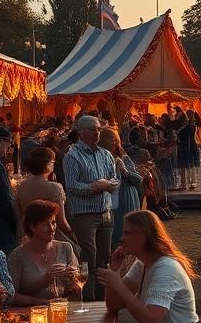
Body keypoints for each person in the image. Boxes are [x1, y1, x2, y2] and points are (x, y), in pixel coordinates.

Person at [62, 115, 118, 300]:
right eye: (93, 129)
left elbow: (115, 179)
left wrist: (109, 184)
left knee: (104, 258)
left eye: (99, 129)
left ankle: (103, 298)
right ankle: (88, 298)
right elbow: (72, 186)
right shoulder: (72, 156)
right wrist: (95, 187)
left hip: (105, 212)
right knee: (89, 258)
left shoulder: (105, 154)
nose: (97, 133)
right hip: (85, 214)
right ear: (81, 132)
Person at [7, 200, 80, 306]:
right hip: (31, 312)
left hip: (63, 310)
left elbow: (77, 289)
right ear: (32, 227)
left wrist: (72, 280)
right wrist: (45, 281)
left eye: (53, 223)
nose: (52, 228)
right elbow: (11, 296)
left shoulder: (66, 248)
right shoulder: (17, 256)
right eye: (46, 224)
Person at [15, 146, 77, 244]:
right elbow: (61, 221)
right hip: (49, 235)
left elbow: (18, 213)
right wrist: (72, 235)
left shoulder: (21, 186)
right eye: (53, 162)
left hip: (27, 235)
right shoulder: (55, 188)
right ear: (48, 164)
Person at [98, 128, 143, 245]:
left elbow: (138, 179)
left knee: (128, 229)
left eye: (115, 139)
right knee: (113, 232)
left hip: (127, 198)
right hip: (110, 199)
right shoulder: (97, 159)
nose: (114, 142)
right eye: (110, 139)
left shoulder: (123, 158)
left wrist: (125, 171)